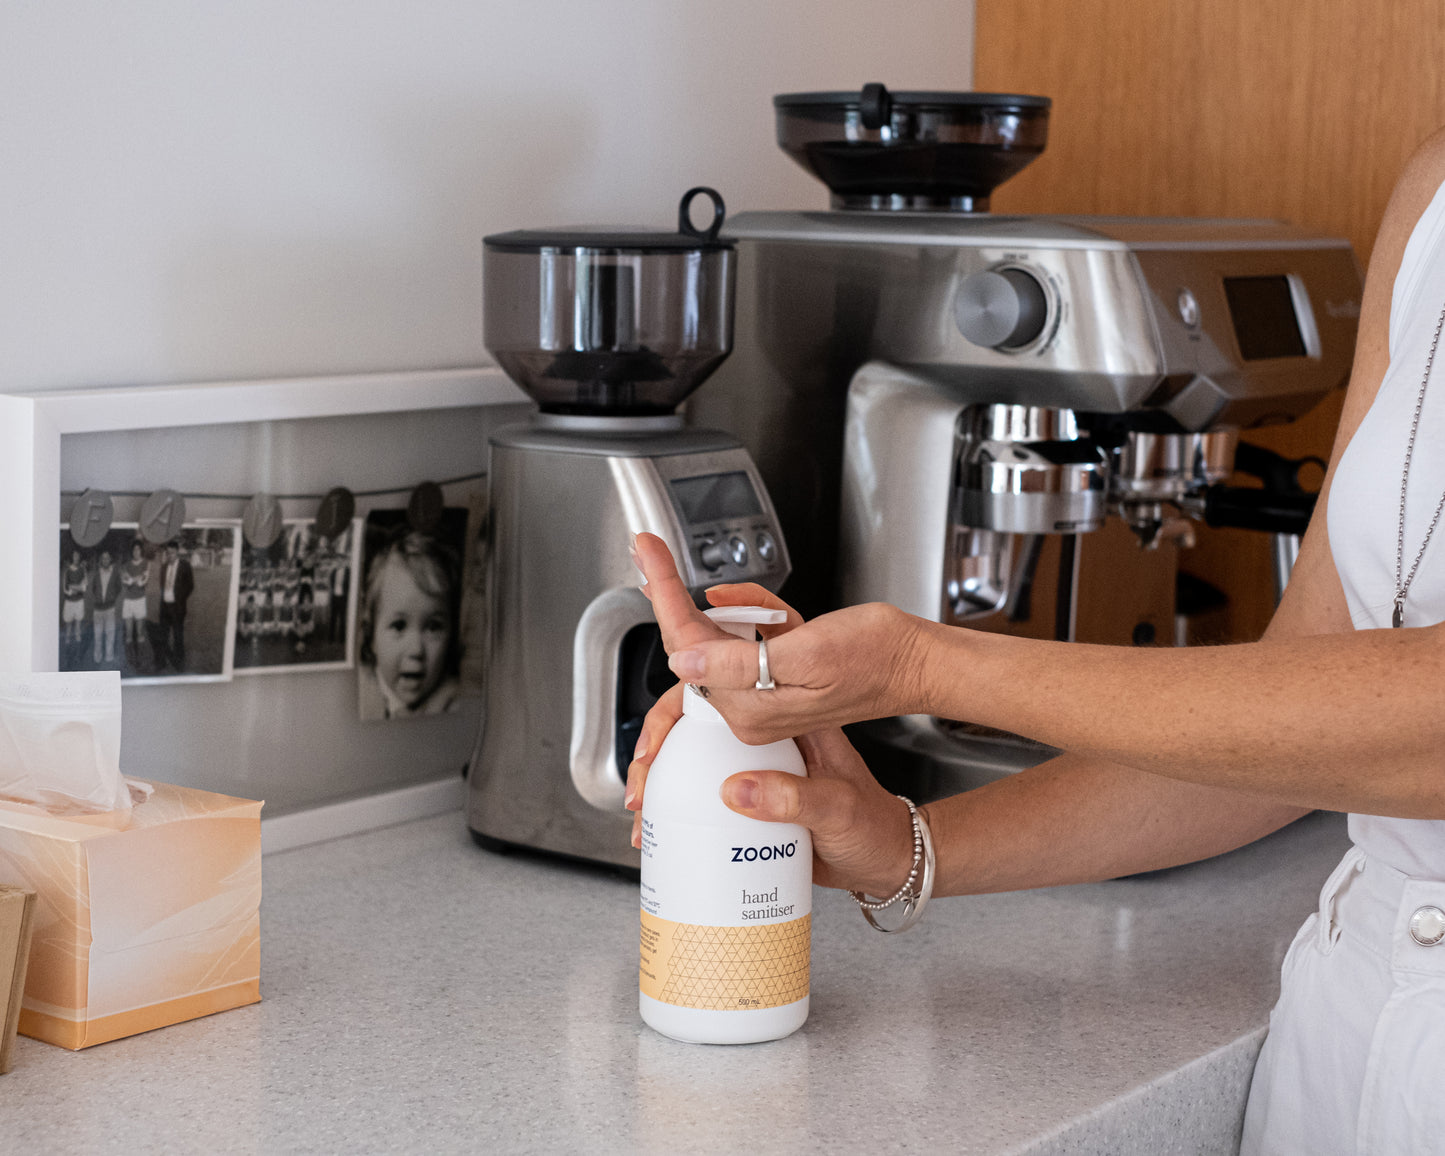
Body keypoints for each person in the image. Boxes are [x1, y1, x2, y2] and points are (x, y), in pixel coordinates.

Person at [627, 130, 1445, 1153]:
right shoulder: (1429, 195)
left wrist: (919, 664)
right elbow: (1291, 724)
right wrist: (906, 847)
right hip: (1340, 1041)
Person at [356, 530, 460, 718]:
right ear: (371, 636)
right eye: (399, 625)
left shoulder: (453, 702)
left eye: (434, 627)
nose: (416, 650)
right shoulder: (359, 694)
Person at [155, 540, 194, 673]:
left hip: (177, 608)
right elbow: (162, 584)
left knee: (178, 636)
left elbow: (190, 585)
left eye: (172, 553)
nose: (169, 555)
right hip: (164, 607)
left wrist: (180, 598)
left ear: (177, 552)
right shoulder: (164, 567)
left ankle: (179, 663)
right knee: (163, 636)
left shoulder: (185, 566)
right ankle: (161, 662)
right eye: (168, 553)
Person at [120, 539, 151, 670]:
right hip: (128, 601)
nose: (136, 552)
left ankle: (140, 659)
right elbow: (126, 581)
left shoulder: (146, 563)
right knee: (128, 632)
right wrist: (136, 578)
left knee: (139, 632)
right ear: (132, 551)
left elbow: (143, 581)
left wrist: (134, 579)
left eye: (138, 549)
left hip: (140, 600)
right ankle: (130, 660)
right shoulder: (126, 565)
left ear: (141, 551)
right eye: (134, 550)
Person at [88, 547, 121, 666]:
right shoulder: (97, 573)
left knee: (110, 634)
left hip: (110, 608)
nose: (105, 560)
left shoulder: (115, 573)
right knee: (97, 635)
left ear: (110, 559)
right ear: (101, 560)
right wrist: (98, 598)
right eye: (103, 558)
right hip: (98, 609)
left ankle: (109, 657)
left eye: (107, 558)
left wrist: (111, 598)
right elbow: (93, 588)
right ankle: (97, 658)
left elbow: (119, 588)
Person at [60, 547, 87, 648]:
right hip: (69, 602)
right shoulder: (67, 571)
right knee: (68, 623)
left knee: (78, 623)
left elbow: (84, 587)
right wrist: (76, 588)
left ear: (79, 557)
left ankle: (77, 641)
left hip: (79, 601)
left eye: (78, 555)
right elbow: (66, 590)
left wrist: (73, 587)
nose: (76, 557)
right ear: (72, 557)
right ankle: (67, 639)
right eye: (74, 555)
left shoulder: (82, 570)